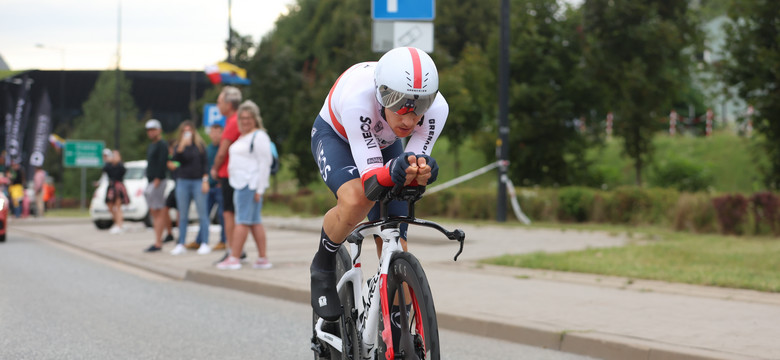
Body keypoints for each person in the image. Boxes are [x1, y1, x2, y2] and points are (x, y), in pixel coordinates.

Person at [308, 47, 446, 322]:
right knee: (358, 199)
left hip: (385, 142)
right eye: (400, 106)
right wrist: (398, 170)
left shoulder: (437, 108)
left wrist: (422, 171)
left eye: (419, 108)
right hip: (339, 137)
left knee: (396, 232)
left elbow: (412, 166)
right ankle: (323, 264)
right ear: (382, 95)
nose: (410, 120)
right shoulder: (358, 100)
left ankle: (396, 326)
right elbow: (372, 182)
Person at [216, 100, 272, 270]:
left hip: (250, 184)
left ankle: (234, 257)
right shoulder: (243, 136)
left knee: (242, 221)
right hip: (240, 183)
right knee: (254, 222)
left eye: (248, 117)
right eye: (242, 118)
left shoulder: (259, 136)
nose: (245, 121)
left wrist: (260, 189)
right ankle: (263, 258)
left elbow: (265, 163)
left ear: (255, 118)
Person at [210, 86, 244, 263]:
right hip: (237, 173)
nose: (218, 105)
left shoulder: (232, 121)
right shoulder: (238, 119)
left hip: (228, 173)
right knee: (236, 213)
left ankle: (232, 250)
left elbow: (222, 151)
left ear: (229, 104)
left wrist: (214, 168)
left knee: (229, 213)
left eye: (219, 101)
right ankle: (238, 249)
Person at [168, 120, 211, 256]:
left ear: (193, 131)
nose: (187, 133)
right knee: (183, 214)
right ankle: (181, 243)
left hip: (198, 181)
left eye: (189, 130)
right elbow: (175, 160)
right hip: (183, 181)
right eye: (184, 131)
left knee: (202, 214)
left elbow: (205, 164)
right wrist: (181, 147)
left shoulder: (200, 146)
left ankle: (204, 242)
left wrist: (205, 180)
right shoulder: (178, 146)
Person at [143, 119, 170, 252]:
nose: (151, 133)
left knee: (158, 210)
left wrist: (158, 178)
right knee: (154, 211)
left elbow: (162, 162)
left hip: (157, 181)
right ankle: (160, 238)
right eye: (149, 130)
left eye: (153, 130)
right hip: (151, 180)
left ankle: (158, 242)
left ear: (159, 130)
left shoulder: (162, 144)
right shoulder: (152, 145)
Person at [202, 122, 227, 250]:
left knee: (222, 215)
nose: (215, 135)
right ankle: (200, 239)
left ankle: (224, 240)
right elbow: (204, 167)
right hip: (209, 186)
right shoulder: (208, 149)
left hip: (220, 186)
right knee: (204, 213)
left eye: (218, 132)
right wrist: (205, 180)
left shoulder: (224, 147)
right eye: (213, 132)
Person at [104, 150, 129, 234]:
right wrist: (108, 162)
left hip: (118, 186)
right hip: (111, 186)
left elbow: (122, 172)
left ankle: (119, 225)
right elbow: (105, 170)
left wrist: (118, 163)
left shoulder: (120, 166)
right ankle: (117, 223)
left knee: (118, 206)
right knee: (110, 205)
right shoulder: (109, 166)